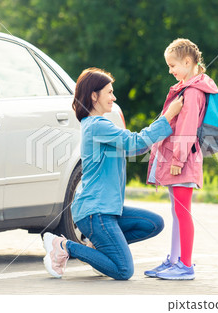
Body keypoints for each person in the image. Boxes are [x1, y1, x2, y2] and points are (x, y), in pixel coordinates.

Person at [42, 67, 184, 280]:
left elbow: (135, 147)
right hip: (95, 212)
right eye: (109, 92)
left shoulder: (99, 125)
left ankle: (98, 248)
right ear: (93, 95)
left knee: (153, 223)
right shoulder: (97, 126)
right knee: (123, 270)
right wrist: (168, 115)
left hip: (108, 209)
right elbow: (135, 142)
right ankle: (63, 245)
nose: (114, 97)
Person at [144, 38, 218, 280]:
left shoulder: (194, 91)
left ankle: (185, 265)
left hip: (183, 163)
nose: (170, 71)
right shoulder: (188, 88)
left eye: (172, 65)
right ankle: (175, 260)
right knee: (178, 211)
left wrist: (177, 161)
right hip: (180, 161)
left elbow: (186, 129)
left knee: (183, 212)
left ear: (188, 62)